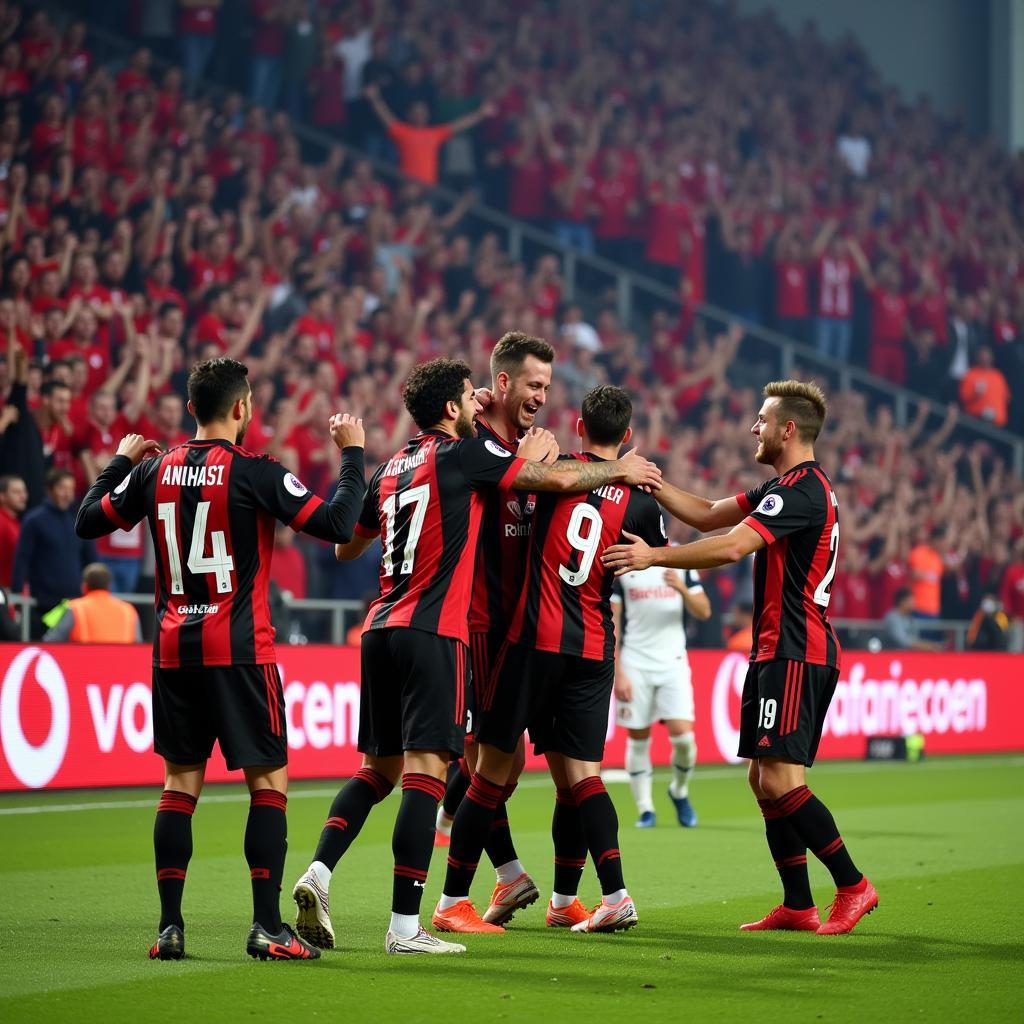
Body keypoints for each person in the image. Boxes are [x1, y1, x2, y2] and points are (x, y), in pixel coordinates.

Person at [291, 360, 660, 956]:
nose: (479, 399)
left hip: (381, 625)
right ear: (458, 406)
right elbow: (548, 482)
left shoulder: (391, 467)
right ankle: (422, 917)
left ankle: (320, 872)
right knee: (442, 774)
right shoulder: (470, 456)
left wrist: (354, 458)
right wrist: (610, 465)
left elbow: (344, 545)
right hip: (447, 629)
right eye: (471, 395)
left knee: (384, 771)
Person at [75, 357, 368, 963]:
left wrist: (123, 461)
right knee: (269, 786)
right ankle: (266, 927)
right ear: (243, 408)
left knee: (179, 786)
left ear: (190, 409)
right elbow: (339, 521)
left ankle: (169, 930)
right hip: (239, 652)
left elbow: (88, 520)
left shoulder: (154, 470)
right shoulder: (256, 473)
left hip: (173, 653)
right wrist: (352, 454)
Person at [603, 380, 878, 936]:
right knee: (762, 779)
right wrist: (651, 482)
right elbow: (707, 514)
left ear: (788, 429)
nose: (754, 428)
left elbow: (731, 546)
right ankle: (798, 904)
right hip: (776, 649)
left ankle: (852, 886)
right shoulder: (787, 487)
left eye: (762, 420)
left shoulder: (802, 490)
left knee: (781, 780)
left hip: (798, 651)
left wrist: (656, 555)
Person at [434, 385, 666, 937]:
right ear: (628, 437)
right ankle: (598, 896)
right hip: (591, 646)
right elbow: (646, 553)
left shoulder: (554, 477)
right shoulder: (640, 498)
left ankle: (451, 901)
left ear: (580, 426)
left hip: (531, 639)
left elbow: (513, 493)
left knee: (487, 776)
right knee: (581, 779)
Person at [434, 331, 556, 929]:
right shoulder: (473, 439)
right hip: (482, 622)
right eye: (534, 384)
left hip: (517, 626)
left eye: (548, 387)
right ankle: (454, 896)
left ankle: (507, 878)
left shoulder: (514, 442)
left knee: (498, 765)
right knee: (492, 766)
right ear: (502, 383)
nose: (542, 396)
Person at [612, 562, 711, 828]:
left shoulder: (682, 566)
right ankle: (645, 809)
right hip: (635, 664)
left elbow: (704, 611)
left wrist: (681, 588)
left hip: (673, 663)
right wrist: (618, 671)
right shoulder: (623, 568)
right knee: (638, 738)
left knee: (684, 740)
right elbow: (613, 622)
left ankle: (679, 790)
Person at [12, 468, 96, 638]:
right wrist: (18, 592)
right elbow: (22, 558)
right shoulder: (34, 520)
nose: (67, 494)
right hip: (43, 605)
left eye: (71, 489)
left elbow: (91, 560)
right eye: (62, 488)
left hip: (74, 605)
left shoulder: (79, 520)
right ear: (49, 490)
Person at [364, 84, 493, 186]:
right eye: (417, 112)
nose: (420, 115)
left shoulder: (434, 133)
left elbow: (458, 125)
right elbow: (386, 118)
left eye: (423, 112)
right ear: (409, 115)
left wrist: (480, 114)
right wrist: (375, 99)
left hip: (429, 189)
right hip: (408, 188)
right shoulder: (403, 131)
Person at [42, 562, 142, 643]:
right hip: (122, 664)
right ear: (109, 586)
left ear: (84, 586)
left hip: (84, 664)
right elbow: (138, 643)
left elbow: (51, 640)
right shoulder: (128, 610)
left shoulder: (74, 608)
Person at [0, 474, 28, 588]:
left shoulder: (16, 523)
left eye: (24, 491)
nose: (23, 496)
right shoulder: (2, 522)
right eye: (16, 492)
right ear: (2, 496)